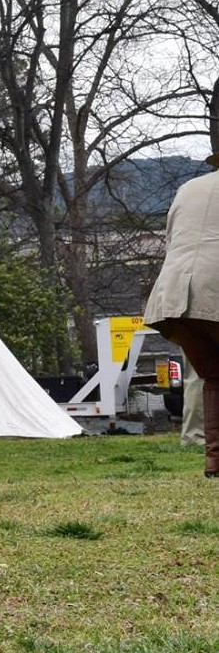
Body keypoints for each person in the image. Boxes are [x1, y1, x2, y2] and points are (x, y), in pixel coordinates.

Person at [144, 165, 219, 478]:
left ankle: (214, 461)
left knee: (215, 377)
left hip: (174, 293)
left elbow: (173, 238)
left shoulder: (189, 188)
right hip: (213, 289)